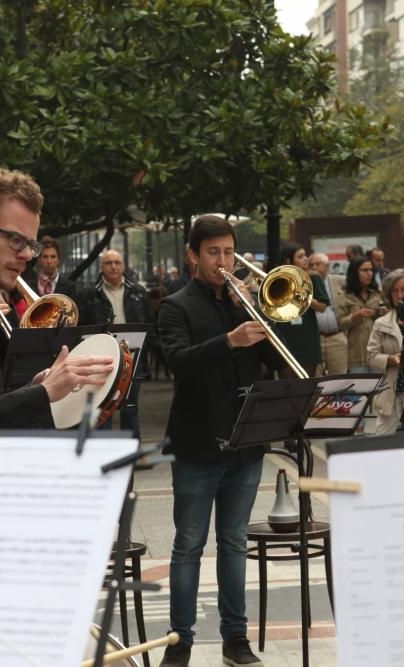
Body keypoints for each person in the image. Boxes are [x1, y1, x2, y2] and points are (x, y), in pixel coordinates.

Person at [156, 215, 281, 667]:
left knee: (233, 543)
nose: (223, 261)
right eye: (214, 253)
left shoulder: (242, 302)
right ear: (193, 255)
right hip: (197, 443)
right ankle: (180, 641)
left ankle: (236, 639)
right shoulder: (176, 306)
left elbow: (279, 358)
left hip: (246, 442)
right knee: (189, 544)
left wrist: (255, 310)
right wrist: (228, 340)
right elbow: (177, 361)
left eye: (229, 252)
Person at [0, 166, 114, 429]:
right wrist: (40, 395)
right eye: (15, 239)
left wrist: (37, 387)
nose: (28, 255)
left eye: (31, 244)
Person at [78, 248, 154, 438]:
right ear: (101, 267)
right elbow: (83, 327)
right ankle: (105, 451)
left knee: (130, 408)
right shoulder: (89, 294)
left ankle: (131, 453)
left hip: (132, 358)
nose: (113, 267)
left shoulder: (137, 291)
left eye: (117, 262)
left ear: (123, 266)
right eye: (108, 263)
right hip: (102, 358)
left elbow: (149, 324)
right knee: (103, 407)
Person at [366, 269, 404, 434]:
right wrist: (391, 360)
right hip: (390, 393)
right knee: (383, 442)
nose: (400, 295)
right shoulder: (381, 323)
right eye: (395, 290)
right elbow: (371, 355)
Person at [271, 243, 327, 377]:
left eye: (305, 255)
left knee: (306, 386)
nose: (306, 259)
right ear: (289, 261)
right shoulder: (276, 279)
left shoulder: (313, 277)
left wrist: (303, 295)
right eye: (301, 256)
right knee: (287, 387)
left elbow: (322, 307)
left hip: (307, 338)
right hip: (286, 336)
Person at [336, 256, 387, 373]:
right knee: (359, 389)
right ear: (354, 272)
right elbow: (340, 324)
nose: (369, 274)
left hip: (379, 353)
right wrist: (355, 316)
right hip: (357, 356)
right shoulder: (344, 296)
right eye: (364, 270)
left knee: (380, 389)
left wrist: (382, 312)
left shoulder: (378, 294)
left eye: (371, 270)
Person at [309, 252, 347, 375]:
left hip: (337, 336)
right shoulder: (305, 283)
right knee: (316, 380)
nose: (314, 267)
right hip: (315, 339)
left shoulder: (340, 281)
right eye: (311, 264)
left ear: (327, 266)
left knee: (339, 380)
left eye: (318, 264)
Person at [27, 236, 78, 302]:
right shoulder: (29, 286)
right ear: (39, 259)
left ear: (58, 259)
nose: (49, 261)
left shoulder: (70, 288)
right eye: (45, 257)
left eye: (53, 257)